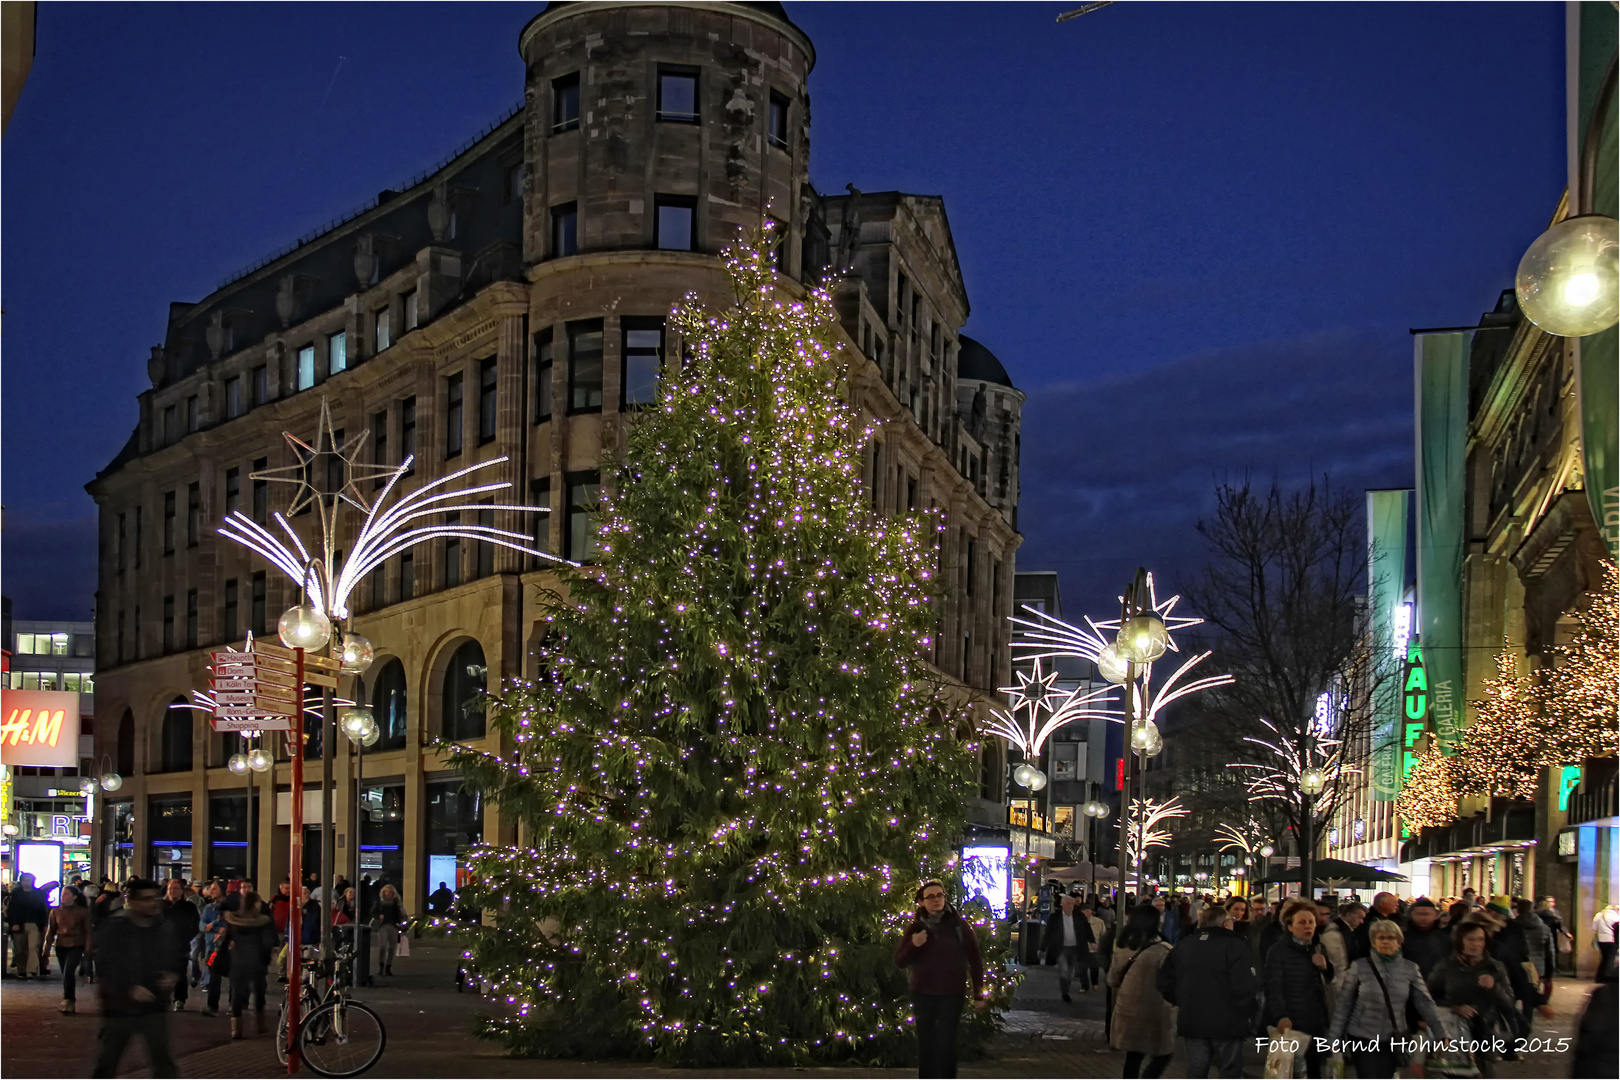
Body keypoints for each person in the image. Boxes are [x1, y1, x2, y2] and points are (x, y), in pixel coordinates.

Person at [1327, 919, 1445, 1079]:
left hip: (1393, 1036)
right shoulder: (1359, 967)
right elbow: (1344, 1003)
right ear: (1373, 942)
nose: (1386, 942)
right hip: (1362, 1035)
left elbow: (1424, 1002)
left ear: (1399, 942)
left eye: (1391, 938)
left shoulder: (1410, 969)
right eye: (1381, 938)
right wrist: (1334, 1037)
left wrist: (1440, 1032)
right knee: (1368, 1075)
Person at [893, 881, 987, 1079]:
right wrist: (914, 945)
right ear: (921, 902)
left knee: (946, 1045)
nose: (936, 900)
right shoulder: (916, 928)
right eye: (931, 897)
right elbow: (900, 961)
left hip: (951, 994)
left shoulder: (960, 927)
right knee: (926, 1045)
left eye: (940, 895)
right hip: (922, 994)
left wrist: (979, 993)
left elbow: (975, 961)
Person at [1156, 903, 1259, 1079]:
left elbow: (1165, 980)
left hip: (1193, 1018)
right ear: (1225, 924)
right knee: (1229, 1069)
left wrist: (1181, 1000)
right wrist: (1248, 1011)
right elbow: (1245, 984)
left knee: (1196, 1069)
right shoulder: (1235, 946)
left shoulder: (1184, 945)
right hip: (1229, 1020)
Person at [92, 878, 180, 1078]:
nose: (153, 903)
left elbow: (174, 955)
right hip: (119, 1005)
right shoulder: (115, 926)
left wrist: (170, 974)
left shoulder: (163, 927)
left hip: (154, 1003)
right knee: (108, 1061)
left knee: (162, 1060)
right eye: (146, 899)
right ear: (131, 901)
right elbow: (106, 964)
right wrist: (128, 987)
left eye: (155, 898)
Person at [1427, 921, 1517, 1075]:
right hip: (1454, 1033)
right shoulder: (1446, 966)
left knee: (1483, 1073)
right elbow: (1429, 996)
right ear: (1460, 940)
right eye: (1470, 939)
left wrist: (1494, 986)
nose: (1475, 944)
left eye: (1480, 939)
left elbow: (1509, 1003)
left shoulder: (1495, 967)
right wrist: (1455, 1008)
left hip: (1484, 1033)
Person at [1263, 898, 1333, 1079]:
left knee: (1314, 1070)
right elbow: (1273, 986)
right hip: (1293, 1021)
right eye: (1302, 922)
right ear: (1290, 926)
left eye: (1311, 922)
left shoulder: (1318, 947)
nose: (1307, 926)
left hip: (1316, 1020)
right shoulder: (1278, 951)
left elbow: (1328, 980)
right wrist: (1281, 1015)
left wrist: (1326, 967)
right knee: (1290, 1070)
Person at [1109, 904, 1175, 1078]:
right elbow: (1170, 980)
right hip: (1154, 1010)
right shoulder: (1163, 949)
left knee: (1134, 1056)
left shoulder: (1122, 944)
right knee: (1164, 1052)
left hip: (1127, 1008)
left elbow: (1112, 979)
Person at [221, 892, 277, 1039]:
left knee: (237, 995)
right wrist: (266, 959)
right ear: (255, 904)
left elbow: (225, 941)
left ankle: (236, 1030)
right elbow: (267, 943)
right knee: (259, 993)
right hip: (257, 961)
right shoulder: (263, 922)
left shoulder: (233, 920)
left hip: (238, 960)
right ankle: (259, 1024)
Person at [45, 885, 94, 1014]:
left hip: (76, 944)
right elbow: (51, 931)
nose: (63, 897)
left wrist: (88, 947)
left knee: (68, 971)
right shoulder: (55, 912)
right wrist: (46, 948)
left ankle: (68, 999)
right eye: (62, 894)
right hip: (61, 945)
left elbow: (88, 931)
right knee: (66, 974)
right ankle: (69, 999)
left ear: (74, 897)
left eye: (66, 894)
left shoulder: (82, 912)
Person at [1042, 894, 1096, 1001]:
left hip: (1075, 948)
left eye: (1072, 904)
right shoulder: (1055, 917)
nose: (1070, 906)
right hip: (1061, 948)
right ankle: (1065, 991)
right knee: (1064, 969)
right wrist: (1042, 947)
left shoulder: (1079, 916)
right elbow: (1048, 932)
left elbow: (1087, 929)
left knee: (1070, 971)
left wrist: (1092, 941)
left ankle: (1066, 987)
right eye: (1068, 904)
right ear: (1062, 904)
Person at [158, 880, 199, 1012]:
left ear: (181, 891)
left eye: (175, 889)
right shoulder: (161, 906)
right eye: (170, 889)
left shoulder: (189, 907)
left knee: (180, 973)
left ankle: (180, 999)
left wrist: (185, 937)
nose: (172, 891)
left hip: (181, 946)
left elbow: (194, 926)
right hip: (162, 946)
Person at [1513, 897, 1555, 1007]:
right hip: (1537, 966)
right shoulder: (1544, 928)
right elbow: (1550, 951)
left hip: (1517, 965)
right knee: (1530, 997)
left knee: (1513, 996)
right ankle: (1527, 1020)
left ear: (1518, 910)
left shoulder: (1512, 926)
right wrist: (1550, 969)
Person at [8, 872, 48, 980]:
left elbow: (43, 910)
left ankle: (31, 970)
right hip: (19, 924)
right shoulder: (16, 894)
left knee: (33, 947)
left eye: (28, 880)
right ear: (21, 882)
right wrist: (14, 923)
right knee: (20, 949)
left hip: (34, 923)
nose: (26, 882)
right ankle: (22, 970)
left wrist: (44, 924)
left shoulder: (38, 894)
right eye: (24, 880)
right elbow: (12, 910)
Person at [1402, 898, 1450, 979]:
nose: (1423, 918)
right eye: (1419, 914)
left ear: (1435, 915)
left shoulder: (1445, 938)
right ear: (1411, 915)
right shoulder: (1402, 938)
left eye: (1427, 914)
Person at [372, 884, 409, 976]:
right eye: (386, 892)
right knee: (383, 946)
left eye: (390, 892)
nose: (388, 894)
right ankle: (381, 966)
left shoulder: (396, 902)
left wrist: (404, 922)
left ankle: (388, 966)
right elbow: (373, 912)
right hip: (382, 925)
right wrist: (378, 916)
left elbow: (402, 913)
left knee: (392, 947)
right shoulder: (380, 902)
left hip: (393, 925)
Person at [1534, 896, 1572, 976]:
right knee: (1550, 953)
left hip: (1541, 936)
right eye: (1549, 901)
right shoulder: (1553, 917)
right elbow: (1560, 925)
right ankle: (1549, 971)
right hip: (1550, 935)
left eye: (1552, 901)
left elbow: (1560, 925)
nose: (1551, 903)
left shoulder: (1537, 915)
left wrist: (1565, 932)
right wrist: (1565, 933)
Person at [1592, 902, 1618, 981]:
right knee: (1610, 959)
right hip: (1611, 940)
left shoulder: (1598, 915)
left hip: (1601, 940)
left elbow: (1594, 928)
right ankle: (1607, 977)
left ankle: (1599, 977)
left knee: (1604, 958)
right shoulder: (1614, 916)